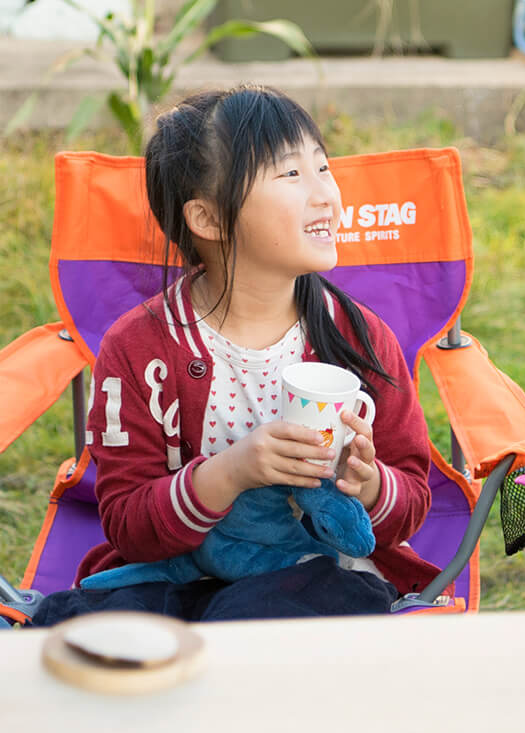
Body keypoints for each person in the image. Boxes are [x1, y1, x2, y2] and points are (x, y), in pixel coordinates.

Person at [31, 85, 439, 623]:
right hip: (172, 574)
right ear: (209, 219)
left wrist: (368, 484)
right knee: (80, 623)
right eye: (291, 174)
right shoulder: (139, 350)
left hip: (313, 579)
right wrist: (231, 472)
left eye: (323, 167)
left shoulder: (359, 339)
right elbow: (128, 524)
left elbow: (412, 499)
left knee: (272, 616)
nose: (325, 194)